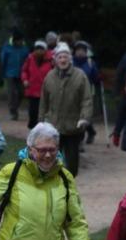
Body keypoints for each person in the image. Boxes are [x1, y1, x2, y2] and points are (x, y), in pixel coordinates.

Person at [38, 43, 92, 177]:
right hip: (53, 127)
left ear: (70, 59)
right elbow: (43, 101)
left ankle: (69, 183)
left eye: (65, 57)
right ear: (55, 60)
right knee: (50, 160)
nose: (63, 60)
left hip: (73, 126)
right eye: (60, 57)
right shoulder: (49, 77)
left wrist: (84, 118)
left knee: (72, 164)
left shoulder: (80, 76)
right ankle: (53, 185)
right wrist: (40, 122)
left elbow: (86, 100)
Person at [72, 40, 101, 145]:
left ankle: (80, 140)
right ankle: (88, 133)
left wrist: (98, 77)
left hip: (88, 93)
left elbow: (95, 78)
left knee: (85, 116)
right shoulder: (71, 62)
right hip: (73, 92)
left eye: (82, 50)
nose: (80, 52)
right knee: (76, 116)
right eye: (78, 50)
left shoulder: (90, 63)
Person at [21, 40, 52, 129]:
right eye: (37, 49)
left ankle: (44, 128)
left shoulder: (51, 60)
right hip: (32, 89)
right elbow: (24, 71)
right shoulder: (30, 58)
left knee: (44, 111)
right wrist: (25, 80)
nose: (39, 51)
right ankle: (33, 129)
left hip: (45, 90)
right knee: (33, 111)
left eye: (41, 49)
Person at [0, 29, 29, 120]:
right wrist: (1, 74)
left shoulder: (25, 48)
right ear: (15, 40)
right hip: (10, 73)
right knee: (12, 93)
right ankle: (13, 111)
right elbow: (2, 61)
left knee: (21, 92)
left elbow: (28, 61)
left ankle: (15, 107)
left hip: (21, 74)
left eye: (21, 40)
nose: (20, 42)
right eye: (18, 40)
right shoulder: (7, 47)